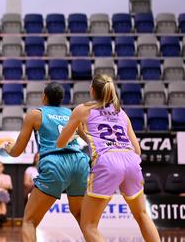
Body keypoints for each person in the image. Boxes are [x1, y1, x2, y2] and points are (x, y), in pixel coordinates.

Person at [57, 75, 160, 242]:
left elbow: (61, 143)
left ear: (92, 90)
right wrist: (87, 135)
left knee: (89, 225)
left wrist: (77, 131)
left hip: (107, 162)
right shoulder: (121, 112)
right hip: (131, 160)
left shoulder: (82, 109)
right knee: (141, 215)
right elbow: (137, 150)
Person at [3, 82, 90, 242]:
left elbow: (17, 152)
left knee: (29, 221)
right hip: (79, 162)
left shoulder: (35, 114)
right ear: (62, 98)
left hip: (55, 162)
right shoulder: (72, 113)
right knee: (82, 217)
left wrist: (9, 149)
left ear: (44, 97)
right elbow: (89, 139)